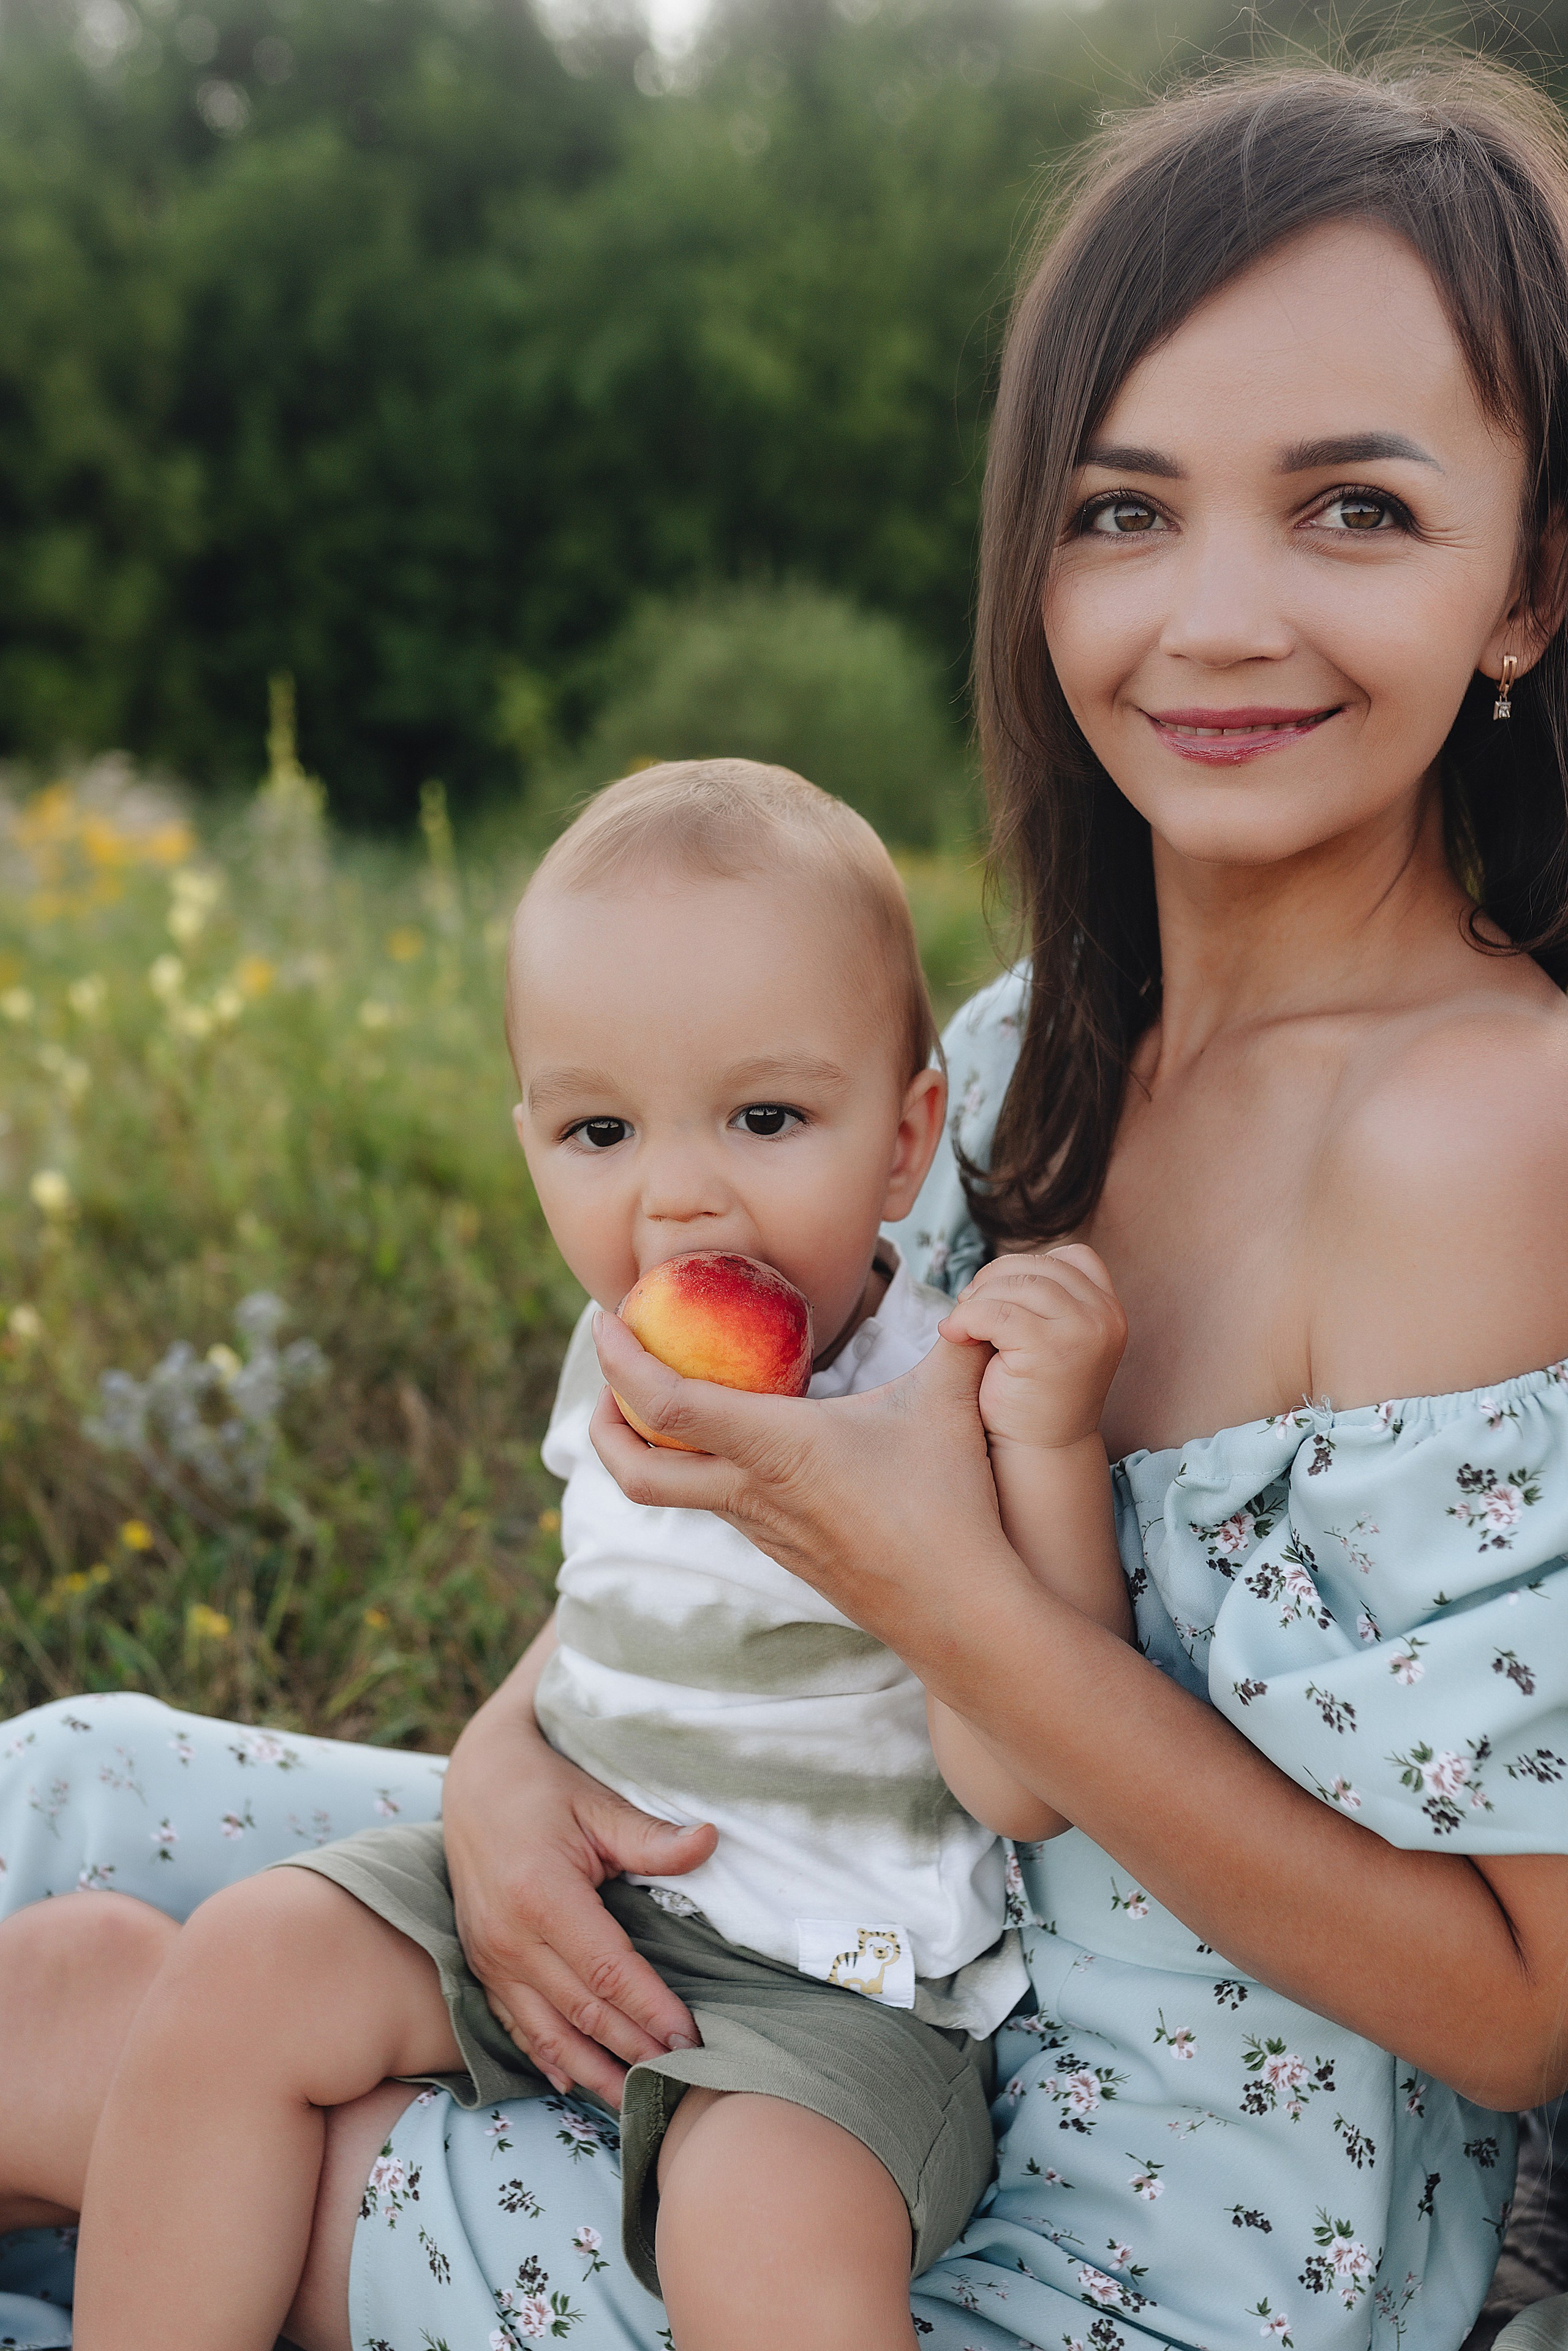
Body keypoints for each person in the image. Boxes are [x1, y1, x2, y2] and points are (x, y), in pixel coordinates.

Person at [0, 50, 1566, 2351]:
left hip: (1087, 2225)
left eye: (1352, 510)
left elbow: (1519, 2012)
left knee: (94, 2046)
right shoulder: (1030, 1044)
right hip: (803, 1909)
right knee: (71, 1798)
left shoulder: (1483, 1125)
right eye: (1124, 512)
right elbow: (766, 1509)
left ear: (1532, 585)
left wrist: (957, 1599)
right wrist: (524, 1750)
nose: (1216, 617)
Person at [0, 758, 1134, 2351]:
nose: (678, 1193)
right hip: (579, 1894)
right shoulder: (622, 1358)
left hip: (838, 1984)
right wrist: (502, 1769)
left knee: (776, 2248)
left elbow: (1024, 1783)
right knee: (249, 1962)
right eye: (601, 1128)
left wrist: (1056, 1449)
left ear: (905, 1135)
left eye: (765, 1115)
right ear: (529, 1137)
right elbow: (613, 1620)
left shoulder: (943, 1396)